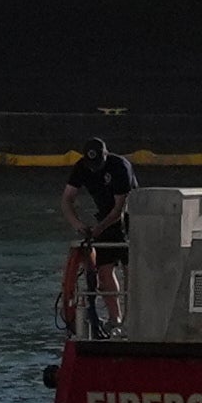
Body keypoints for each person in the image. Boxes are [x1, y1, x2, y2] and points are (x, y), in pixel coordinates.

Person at [58, 134, 137, 345]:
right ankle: (115, 319)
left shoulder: (119, 166)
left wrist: (99, 229)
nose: (93, 169)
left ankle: (134, 320)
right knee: (104, 273)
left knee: (132, 271)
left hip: (133, 218)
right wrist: (79, 225)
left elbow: (121, 207)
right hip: (104, 217)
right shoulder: (82, 167)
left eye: (97, 164)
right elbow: (67, 199)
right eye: (90, 164)